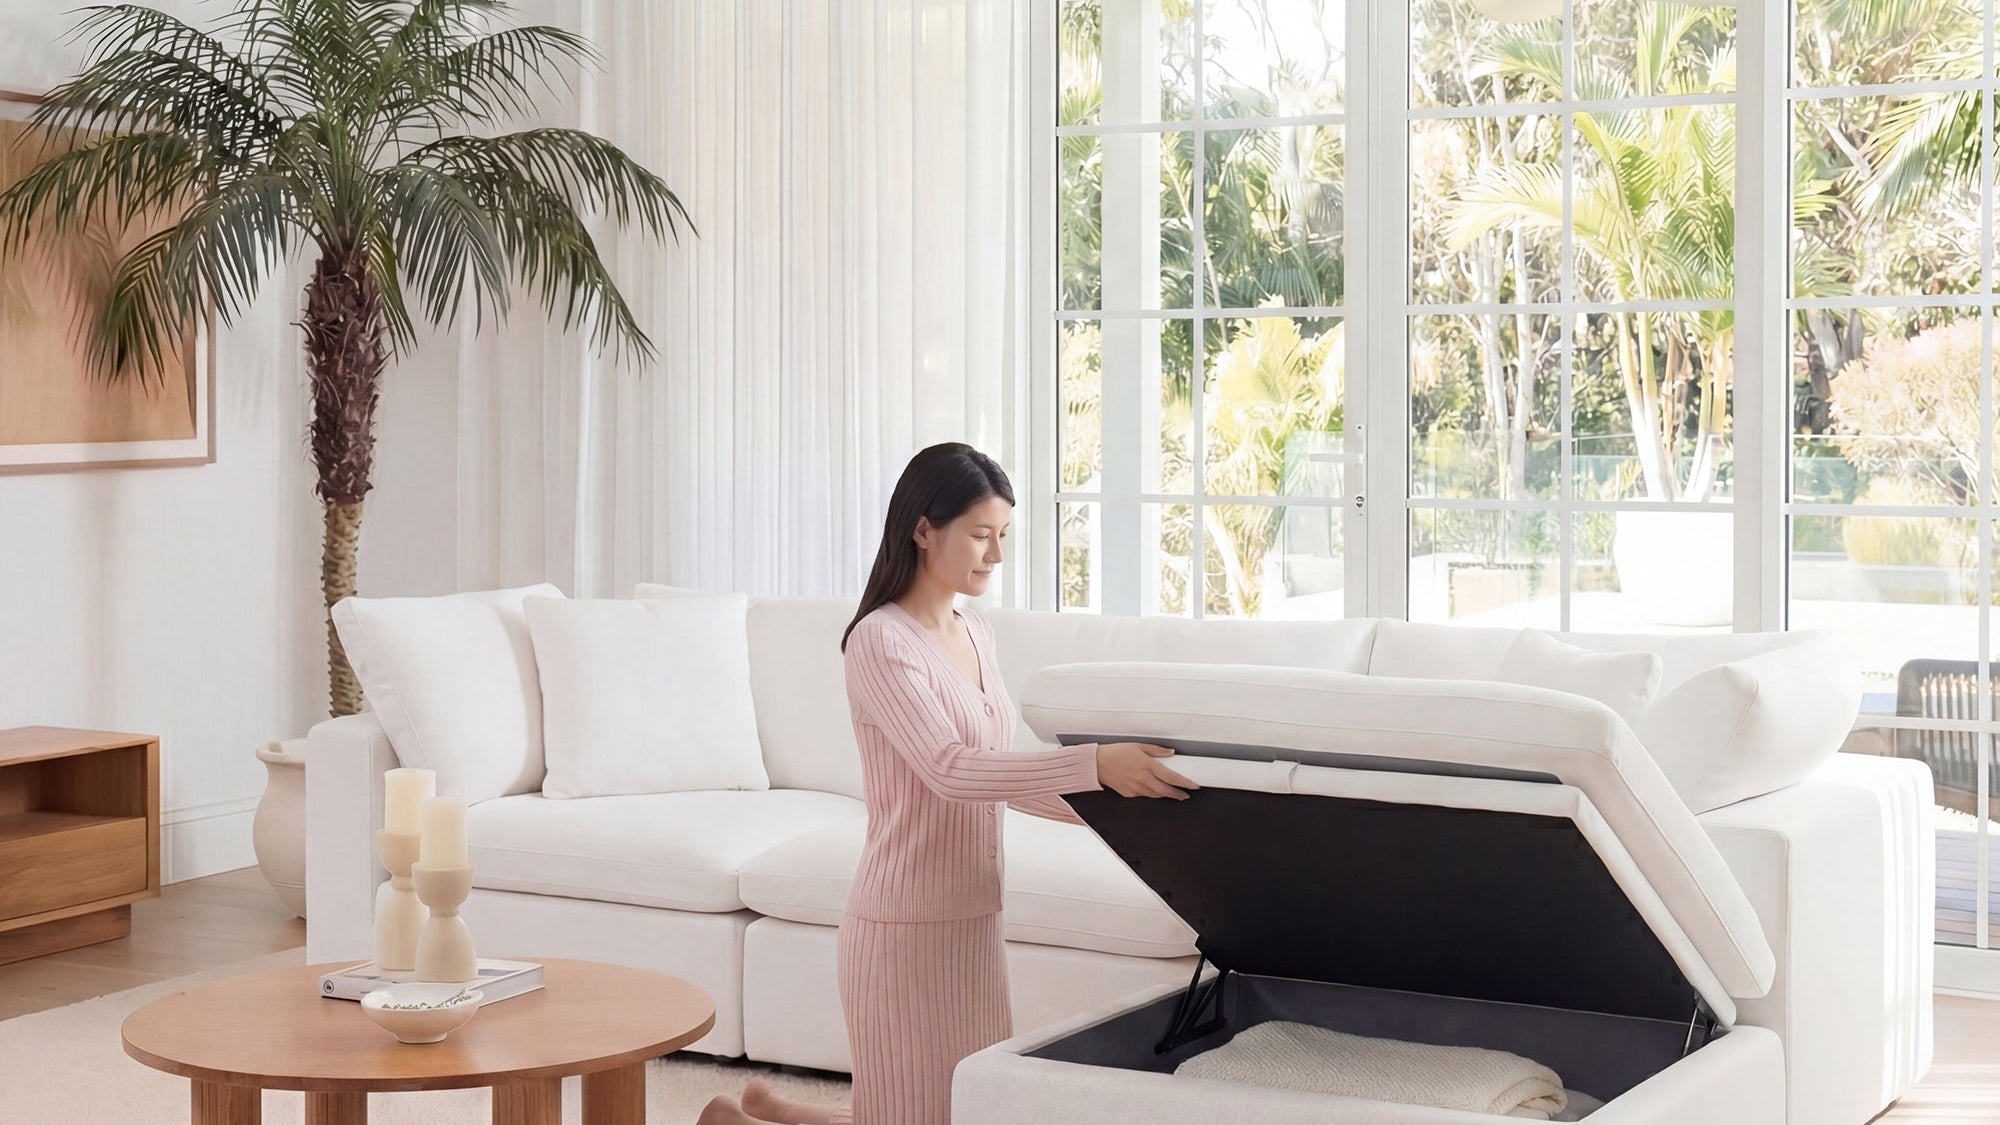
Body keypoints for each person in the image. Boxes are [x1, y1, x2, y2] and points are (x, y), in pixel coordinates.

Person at [699, 442, 1197, 1125]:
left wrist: (1122, 807)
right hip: (903, 929)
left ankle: (764, 1110)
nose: (995, 554)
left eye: (1004, 536)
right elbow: (951, 768)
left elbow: (1002, 776)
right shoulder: (879, 641)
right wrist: (1092, 763)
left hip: (972, 920)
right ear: (924, 528)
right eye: (981, 535)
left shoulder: (976, 631)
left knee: (961, 1112)